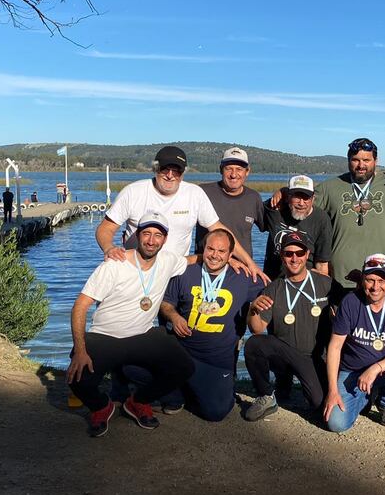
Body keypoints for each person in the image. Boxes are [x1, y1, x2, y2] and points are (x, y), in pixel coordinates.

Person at [65, 211, 195, 437]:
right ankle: (101, 406)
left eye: (157, 235)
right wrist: (81, 349)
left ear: (165, 239)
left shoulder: (168, 260)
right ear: (137, 235)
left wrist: (230, 257)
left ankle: (138, 401)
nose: (151, 240)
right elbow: (80, 306)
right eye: (146, 233)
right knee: (77, 379)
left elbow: (194, 259)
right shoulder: (115, 264)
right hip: (106, 336)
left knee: (184, 367)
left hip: (142, 335)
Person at [96, 145, 261, 274]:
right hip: (136, 270)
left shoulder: (194, 194)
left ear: (183, 173)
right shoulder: (133, 192)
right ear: (155, 168)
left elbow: (219, 229)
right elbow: (106, 228)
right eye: (164, 169)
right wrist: (109, 248)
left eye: (176, 170)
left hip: (176, 272)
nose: (170, 175)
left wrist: (249, 263)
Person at [158, 228, 265, 421]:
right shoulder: (185, 272)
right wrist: (174, 317)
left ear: (231, 254)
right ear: (203, 249)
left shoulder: (243, 276)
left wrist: (257, 306)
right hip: (182, 351)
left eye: (221, 251)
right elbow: (165, 303)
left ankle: (196, 388)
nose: (214, 255)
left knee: (215, 413)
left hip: (216, 360)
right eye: (210, 249)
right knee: (142, 369)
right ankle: (180, 389)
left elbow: (273, 292)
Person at [244, 231, 335, 421]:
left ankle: (297, 384)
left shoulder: (326, 284)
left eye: (299, 253)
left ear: (307, 254)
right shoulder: (273, 288)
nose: (294, 258)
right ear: (282, 256)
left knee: (320, 406)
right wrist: (252, 309)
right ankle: (267, 395)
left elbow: (353, 306)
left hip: (315, 357)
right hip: (285, 355)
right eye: (288, 253)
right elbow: (257, 329)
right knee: (254, 344)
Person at [323, 254, 385, 432]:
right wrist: (332, 390)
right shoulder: (350, 302)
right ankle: (366, 398)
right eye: (370, 280)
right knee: (336, 423)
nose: (376, 287)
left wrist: (375, 368)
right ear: (362, 279)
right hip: (353, 371)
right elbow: (334, 347)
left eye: (381, 280)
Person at [313, 138, 385, 297]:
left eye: (366, 160)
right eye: (355, 160)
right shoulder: (329, 188)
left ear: (376, 161)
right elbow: (301, 208)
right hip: (341, 281)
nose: (361, 165)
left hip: (384, 282)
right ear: (348, 160)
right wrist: (283, 193)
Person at [195, 147, 267, 257]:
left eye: (239, 169)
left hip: (243, 269)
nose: (233, 174)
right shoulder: (203, 192)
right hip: (208, 265)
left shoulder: (253, 197)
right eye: (229, 168)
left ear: (247, 171)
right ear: (220, 169)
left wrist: (283, 192)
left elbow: (268, 225)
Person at [263, 175, 333, 280]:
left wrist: (320, 287)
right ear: (288, 197)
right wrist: (281, 191)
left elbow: (322, 264)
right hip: (273, 281)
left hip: (304, 283)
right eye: (297, 197)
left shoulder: (321, 220)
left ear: (313, 198)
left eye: (306, 198)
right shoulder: (276, 209)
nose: (301, 203)